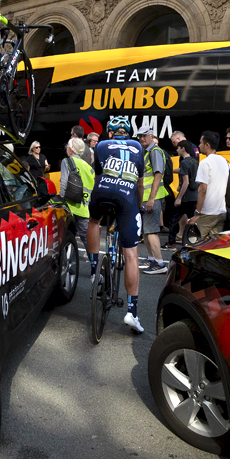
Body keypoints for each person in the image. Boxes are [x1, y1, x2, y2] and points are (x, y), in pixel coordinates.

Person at [86, 116, 147, 334]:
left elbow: (98, 173)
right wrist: (138, 207)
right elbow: (139, 184)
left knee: (94, 221)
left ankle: (94, 270)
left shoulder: (101, 144)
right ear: (128, 134)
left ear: (111, 133)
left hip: (102, 192)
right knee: (131, 254)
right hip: (127, 199)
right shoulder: (139, 147)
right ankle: (132, 312)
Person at [137, 125, 170, 275]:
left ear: (151, 135)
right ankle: (151, 259)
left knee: (151, 231)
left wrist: (150, 199)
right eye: (140, 136)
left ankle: (160, 263)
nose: (142, 139)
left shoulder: (155, 152)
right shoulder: (148, 152)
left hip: (152, 198)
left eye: (144, 136)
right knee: (146, 230)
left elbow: (158, 175)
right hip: (147, 198)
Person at [190, 130, 229, 236]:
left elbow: (202, 189)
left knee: (195, 242)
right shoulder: (224, 161)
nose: (199, 146)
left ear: (207, 145)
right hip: (221, 210)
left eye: (200, 143)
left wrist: (197, 213)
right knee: (215, 244)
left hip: (208, 212)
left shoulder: (205, 163)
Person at [59, 137, 95, 255]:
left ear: (71, 149)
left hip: (69, 205)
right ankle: (95, 265)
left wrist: (60, 201)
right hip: (84, 208)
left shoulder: (67, 162)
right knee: (85, 238)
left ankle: (66, 262)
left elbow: (64, 184)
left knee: (66, 236)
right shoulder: (88, 167)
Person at [172, 139, 200, 246]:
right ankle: (194, 240)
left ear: (183, 148)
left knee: (174, 219)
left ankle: (171, 242)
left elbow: (186, 182)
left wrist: (179, 197)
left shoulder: (183, 162)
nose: (177, 150)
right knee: (193, 219)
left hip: (186, 197)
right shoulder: (195, 162)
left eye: (178, 148)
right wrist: (172, 171)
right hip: (194, 195)